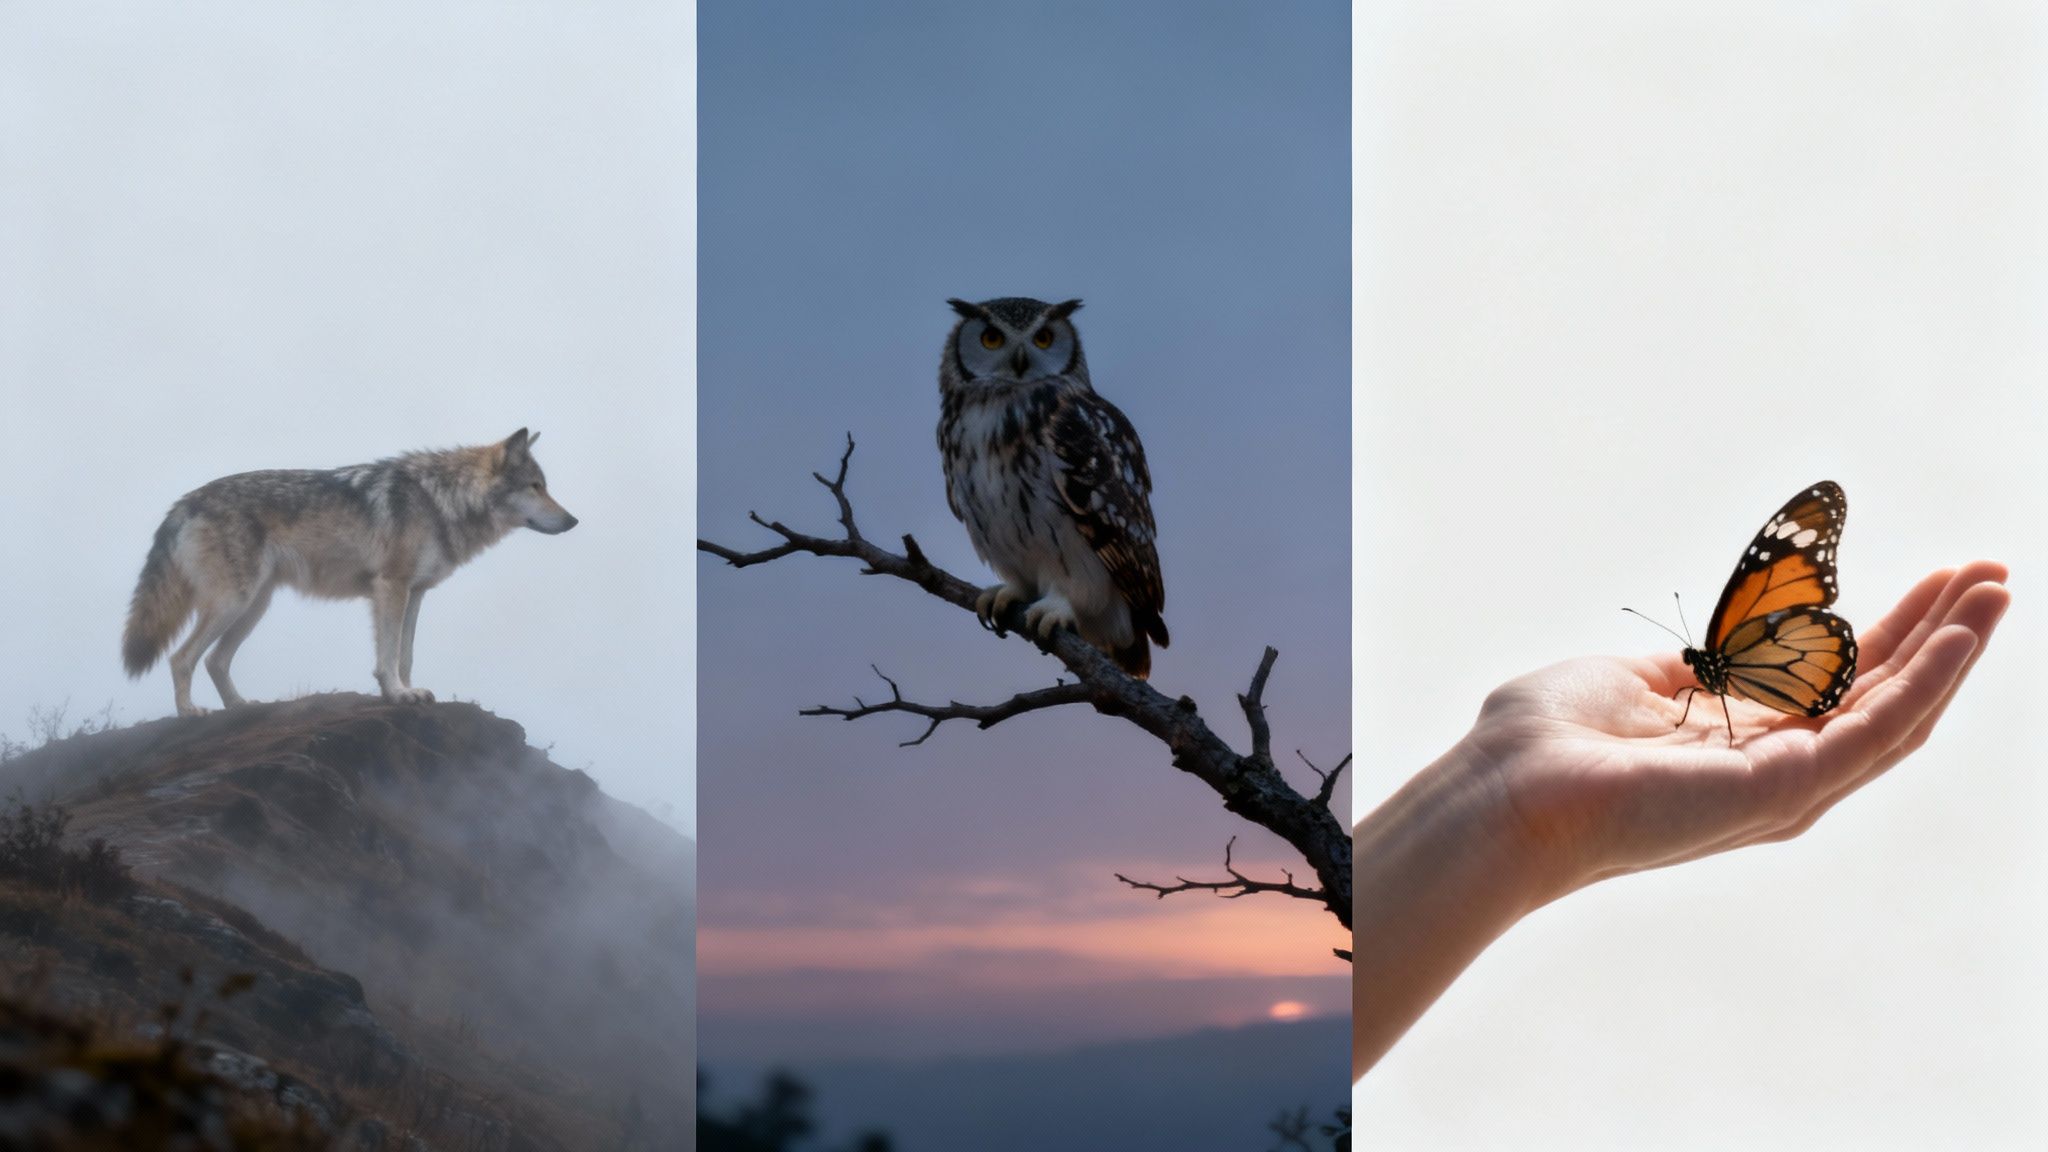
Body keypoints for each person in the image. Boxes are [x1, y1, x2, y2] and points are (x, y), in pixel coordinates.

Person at [1353, 562, 2011, 1076]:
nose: (1697, 663)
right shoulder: (1704, 678)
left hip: (1802, 667)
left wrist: (1501, 805)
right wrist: (1503, 792)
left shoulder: (1725, 656)